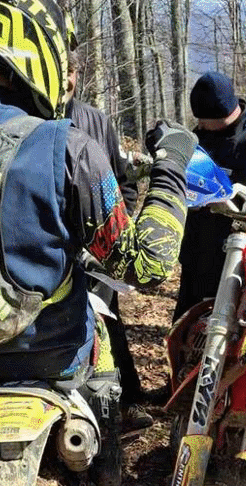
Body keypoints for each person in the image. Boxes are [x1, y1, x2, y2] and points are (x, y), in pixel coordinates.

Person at [0, 0, 196, 486]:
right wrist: (171, 170)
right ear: (39, 50)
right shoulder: (69, 146)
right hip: (55, 351)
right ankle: (107, 471)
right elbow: (148, 264)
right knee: (103, 340)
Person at [64, 49, 153, 433]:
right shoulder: (30, 118)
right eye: (62, 70)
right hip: (57, 251)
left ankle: (128, 403)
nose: (68, 79)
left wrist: (119, 222)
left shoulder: (96, 120)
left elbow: (123, 180)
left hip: (100, 247)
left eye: (73, 71)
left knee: (108, 322)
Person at [173, 71, 246, 322]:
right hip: (195, 259)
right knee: (184, 339)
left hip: (233, 268)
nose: (199, 125)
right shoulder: (201, 137)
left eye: (204, 120)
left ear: (222, 113)